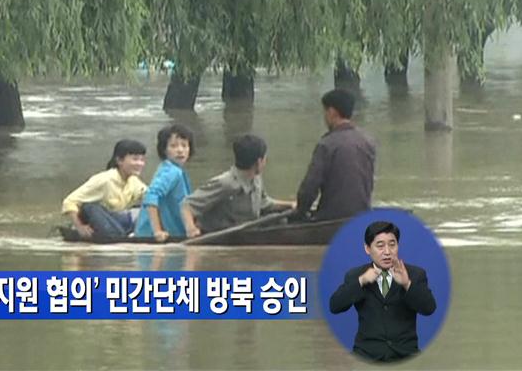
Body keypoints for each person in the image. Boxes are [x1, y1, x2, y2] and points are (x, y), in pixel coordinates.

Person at [329, 221, 437, 363]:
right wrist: (361, 281)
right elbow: (335, 306)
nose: (387, 252)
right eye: (380, 246)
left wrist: (407, 284)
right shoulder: (356, 275)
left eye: (392, 245)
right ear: (367, 248)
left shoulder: (415, 274)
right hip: (366, 356)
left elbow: (429, 308)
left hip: (405, 356)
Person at [181, 134, 295, 237]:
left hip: (246, 231)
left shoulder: (256, 179)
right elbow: (187, 205)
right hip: (221, 236)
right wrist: (191, 229)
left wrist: (291, 205)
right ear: (259, 162)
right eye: (265, 159)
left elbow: (265, 203)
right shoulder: (225, 183)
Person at [295, 88, 375, 221]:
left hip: (331, 217)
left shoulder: (326, 145)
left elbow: (310, 188)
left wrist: (300, 211)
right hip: (362, 214)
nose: (324, 117)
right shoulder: (368, 142)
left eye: (324, 112)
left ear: (331, 112)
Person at [61, 139, 148, 239]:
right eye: (135, 159)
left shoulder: (134, 181)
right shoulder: (104, 180)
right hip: (96, 219)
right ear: (119, 160)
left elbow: (150, 197)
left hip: (116, 219)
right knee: (91, 207)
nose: (140, 164)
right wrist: (80, 227)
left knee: (143, 210)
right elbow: (69, 201)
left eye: (142, 160)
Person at [135, 124, 195, 242]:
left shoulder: (174, 169)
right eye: (173, 146)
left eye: (184, 145)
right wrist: (157, 231)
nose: (180, 150)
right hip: (153, 235)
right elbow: (151, 195)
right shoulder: (172, 172)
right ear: (164, 150)